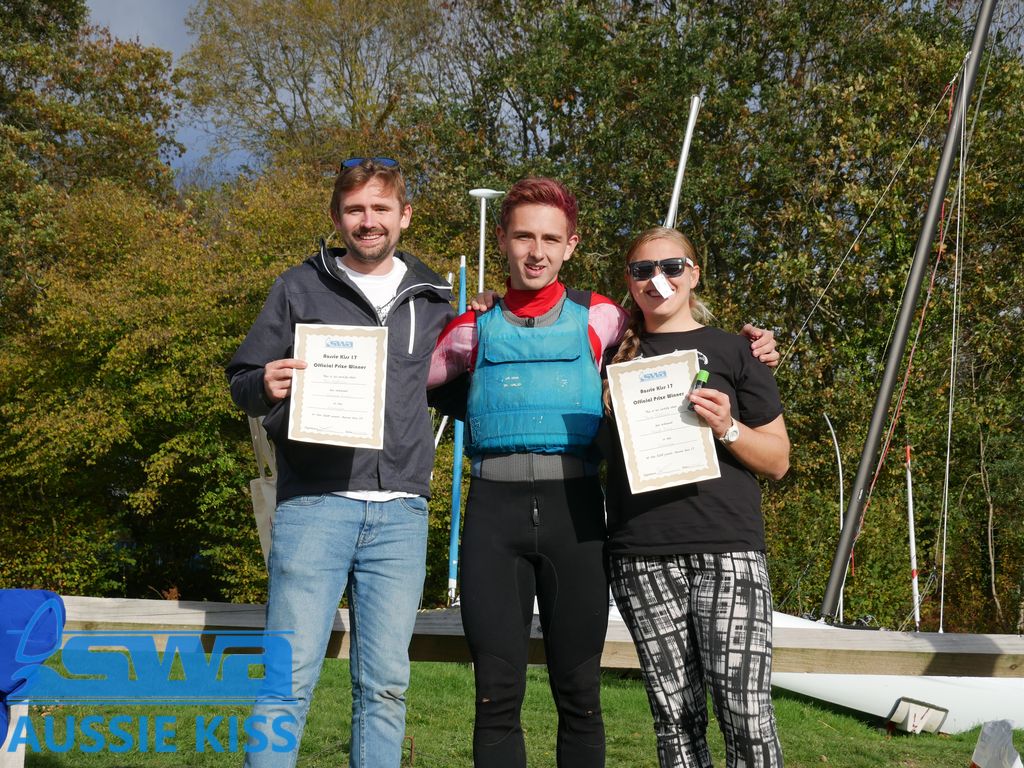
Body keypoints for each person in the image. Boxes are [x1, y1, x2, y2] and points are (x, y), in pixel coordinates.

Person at [427, 179, 779, 768]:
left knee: (581, 697)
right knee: (495, 696)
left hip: (579, 517)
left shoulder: (605, 318)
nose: (535, 251)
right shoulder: (471, 324)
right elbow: (416, 388)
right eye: (522, 237)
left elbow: (672, 329)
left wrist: (754, 346)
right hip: (494, 516)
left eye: (549, 238)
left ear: (571, 246)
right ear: (504, 242)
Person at [226, 157, 456, 768]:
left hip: (401, 514)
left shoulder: (436, 300)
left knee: (385, 687)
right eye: (355, 210)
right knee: (286, 681)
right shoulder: (298, 287)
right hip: (312, 507)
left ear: (404, 216)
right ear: (336, 218)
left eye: (381, 208)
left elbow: (463, 377)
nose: (368, 221)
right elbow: (243, 378)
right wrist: (264, 384)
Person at [601, 226, 790, 768]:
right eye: (643, 270)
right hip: (640, 555)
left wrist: (728, 427)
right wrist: (489, 303)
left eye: (672, 267)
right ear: (629, 281)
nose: (657, 280)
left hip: (728, 549)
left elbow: (778, 460)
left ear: (694, 274)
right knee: (675, 721)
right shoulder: (606, 354)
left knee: (746, 714)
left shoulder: (737, 349)